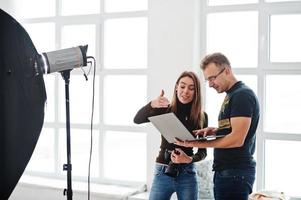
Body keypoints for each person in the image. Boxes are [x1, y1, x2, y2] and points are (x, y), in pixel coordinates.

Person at [175, 53, 260, 200]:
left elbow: (237, 139)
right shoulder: (232, 95)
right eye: (208, 80)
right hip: (228, 173)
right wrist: (214, 130)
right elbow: (232, 130)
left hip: (235, 173)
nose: (210, 84)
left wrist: (197, 143)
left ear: (226, 71)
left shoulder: (242, 95)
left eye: (212, 78)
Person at [134, 71, 208, 200]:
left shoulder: (201, 117)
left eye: (191, 88)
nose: (185, 91)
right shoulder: (164, 109)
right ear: (176, 87)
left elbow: (203, 152)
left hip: (187, 173)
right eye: (182, 86)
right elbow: (137, 119)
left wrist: (189, 159)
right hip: (162, 171)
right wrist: (152, 104)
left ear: (196, 92)